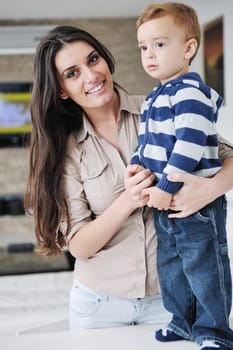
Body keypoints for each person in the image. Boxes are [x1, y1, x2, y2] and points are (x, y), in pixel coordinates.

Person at [24, 25, 233, 333]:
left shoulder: (161, 107)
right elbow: (80, 246)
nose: (91, 76)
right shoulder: (66, 151)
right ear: (61, 91)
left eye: (93, 59)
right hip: (98, 308)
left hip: (171, 304)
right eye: (72, 73)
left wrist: (209, 190)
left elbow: (227, 155)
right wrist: (128, 199)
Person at [130, 3, 233, 350]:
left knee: (205, 268)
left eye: (159, 44)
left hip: (196, 204)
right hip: (163, 204)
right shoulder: (153, 98)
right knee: (173, 268)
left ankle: (214, 330)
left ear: (188, 48)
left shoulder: (191, 92)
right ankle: (183, 322)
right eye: (144, 47)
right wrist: (136, 165)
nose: (149, 54)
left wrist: (166, 185)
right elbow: (147, 142)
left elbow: (188, 145)